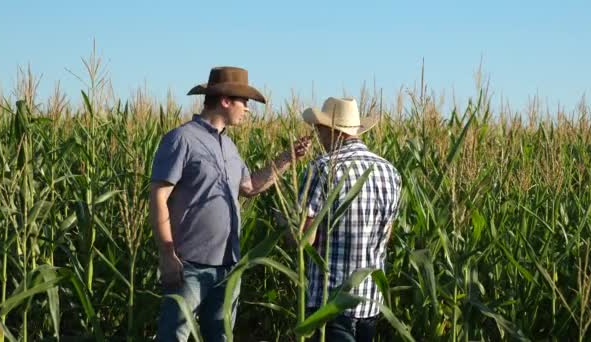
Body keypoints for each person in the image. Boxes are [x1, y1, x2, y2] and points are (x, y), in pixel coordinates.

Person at [150, 66, 311, 342]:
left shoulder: (230, 148)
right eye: (244, 102)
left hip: (228, 266)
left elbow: (249, 187)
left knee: (222, 336)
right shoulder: (182, 139)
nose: (247, 109)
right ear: (225, 100)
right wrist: (167, 255)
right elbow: (158, 197)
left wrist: (287, 159)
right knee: (173, 336)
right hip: (189, 265)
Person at [299, 97, 402, 342]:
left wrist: (286, 227)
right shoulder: (390, 171)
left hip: (329, 302)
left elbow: (304, 239)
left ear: (330, 130)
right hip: (368, 300)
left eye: (319, 129)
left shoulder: (322, 168)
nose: (318, 136)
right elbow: (386, 235)